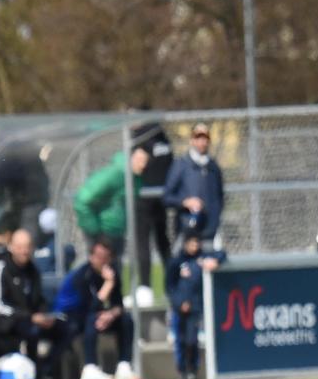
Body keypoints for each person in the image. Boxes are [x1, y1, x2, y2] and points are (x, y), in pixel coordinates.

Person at [0, 228, 73, 379]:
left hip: (31, 319)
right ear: (11, 247)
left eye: (27, 247)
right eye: (20, 247)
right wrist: (30, 317)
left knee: (67, 329)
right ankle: (32, 373)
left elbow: (38, 299)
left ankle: (45, 370)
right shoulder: (2, 267)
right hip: (7, 322)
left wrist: (45, 315)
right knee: (32, 330)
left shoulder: (32, 270)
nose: (24, 251)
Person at [59, 238, 139, 379]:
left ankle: (124, 366)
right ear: (91, 257)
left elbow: (118, 304)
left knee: (126, 319)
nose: (102, 261)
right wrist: (108, 285)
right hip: (77, 319)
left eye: (106, 257)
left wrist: (111, 314)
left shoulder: (113, 273)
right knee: (92, 319)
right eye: (99, 256)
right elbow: (88, 308)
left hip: (103, 317)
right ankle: (90, 368)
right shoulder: (82, 276)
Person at [167, 229, 222, 379]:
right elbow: (170, 286)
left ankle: (193, 371)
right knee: (181, 341)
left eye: (197, 243)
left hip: (195, 308)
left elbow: (222, 254)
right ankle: (182, 372)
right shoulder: (177, 262)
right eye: (191, 243)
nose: (194, 246)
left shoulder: (202, 258)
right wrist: (179, 302)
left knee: (192, 340)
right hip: (179, 309)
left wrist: (215, 261)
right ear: (185, 244)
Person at [129, 118, 175, 289]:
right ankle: (171, 283)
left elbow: (136, 168)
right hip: (161, 197)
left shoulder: (140, 139)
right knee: (163, 242)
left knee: (143, 243)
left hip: (143, 198)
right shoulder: (163, 137)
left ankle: (145, 286)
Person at [162, 124, 226, 243]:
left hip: (210, 230)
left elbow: (220, 196)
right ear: (192, 140)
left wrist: (215, 217)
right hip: (187, 230)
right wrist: (185, 202)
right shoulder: (181, 164)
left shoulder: (213, 167)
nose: (202, 142)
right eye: (198, 138)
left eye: (205, 138)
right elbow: (167, 197)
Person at [72, 150, 135, 250]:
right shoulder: (114, 175)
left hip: (117, 232)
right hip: (103, 234)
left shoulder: (133, 177)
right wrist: (95, 232)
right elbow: (82, 201)